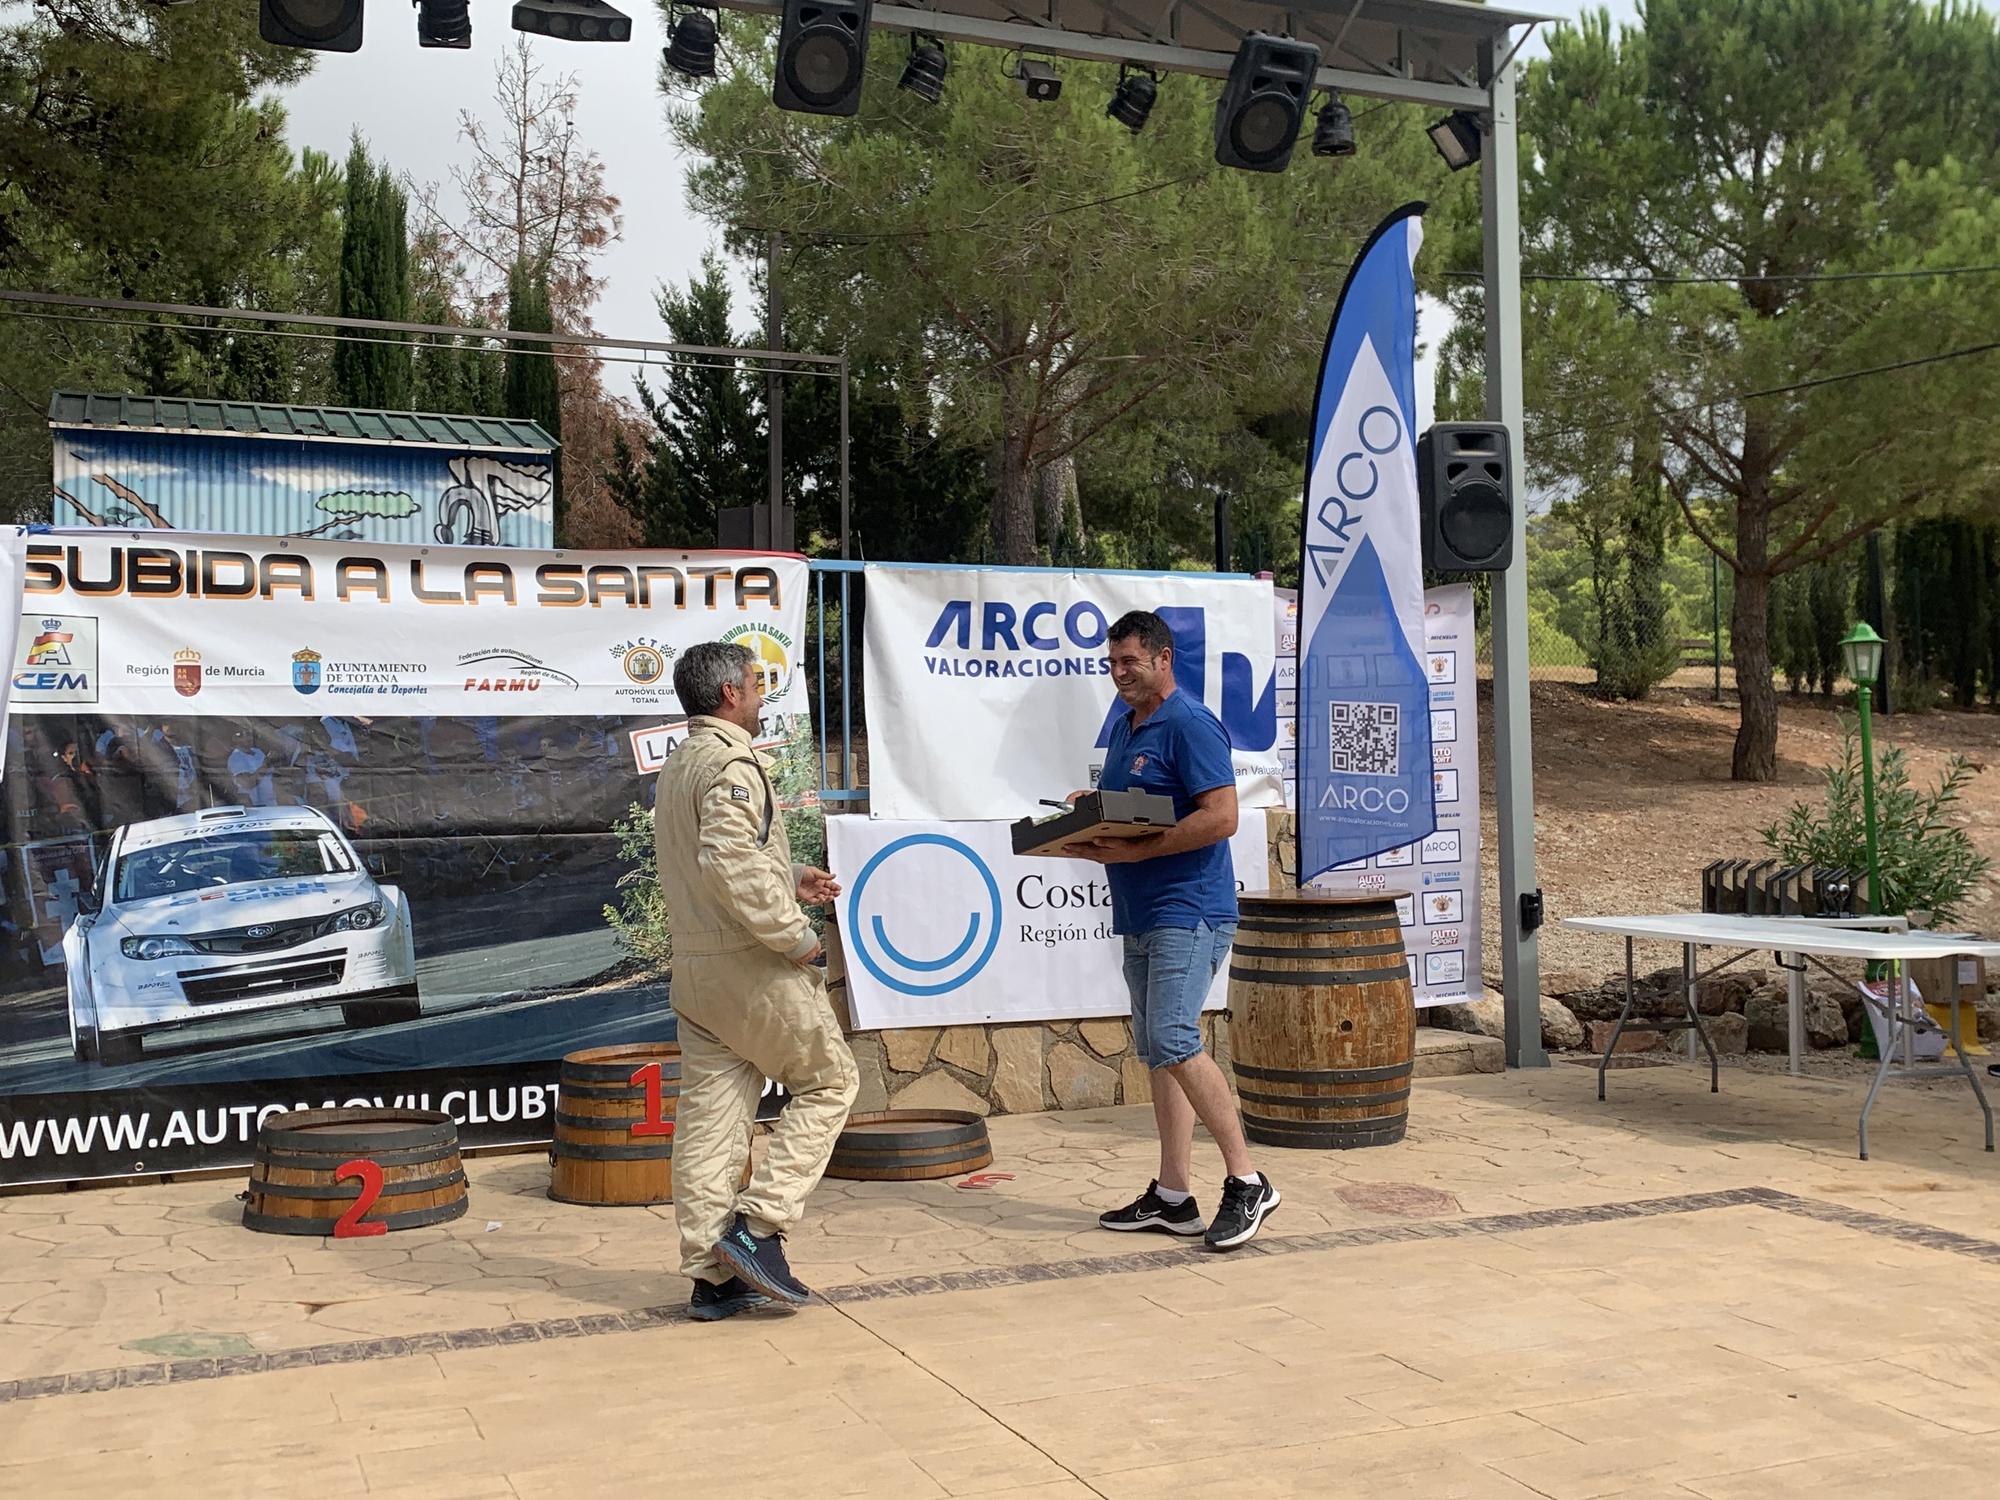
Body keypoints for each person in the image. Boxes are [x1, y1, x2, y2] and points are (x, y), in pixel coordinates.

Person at [653, 641, 858, 1320]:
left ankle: (713, 1276)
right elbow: (729, 864)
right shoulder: (733, 762)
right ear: (728, 696)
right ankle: (759, 1228)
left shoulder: (682, 761)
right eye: (756, 684)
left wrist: (789, 876)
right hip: (750, 964)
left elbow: (716, 859)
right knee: (832, 1083)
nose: (761, 695)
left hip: (698, 970)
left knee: (713, 1122)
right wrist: (796, 938)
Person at [1064, 610, 1279, 1251]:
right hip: (1141, 911)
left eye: (1129, 661)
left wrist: (1135, 852)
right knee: (1160, 1050)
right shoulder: (1130, 728)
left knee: (1172, 1036)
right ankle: (1173, 1195)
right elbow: (1147, 808)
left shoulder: (1189, 723)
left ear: (1163, 658)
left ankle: (1248, 1181)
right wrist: (1092, 812)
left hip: (1190, 908)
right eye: (1112, 663)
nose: (1118, 673)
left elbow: (1222, 818)